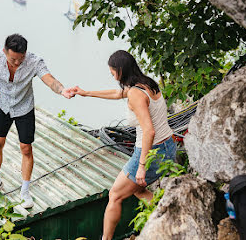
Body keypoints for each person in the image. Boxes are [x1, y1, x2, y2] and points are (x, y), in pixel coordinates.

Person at [71, 50, 176, 240]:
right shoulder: (146, 84)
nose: (112, 76)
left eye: (112, 73)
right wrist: (86, 93)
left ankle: (107, 239)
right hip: (168, 145)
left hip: (152, 151)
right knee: (137, 190)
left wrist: (142, 166)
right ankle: (171, 216)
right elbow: (117, 93)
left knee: (115, 195)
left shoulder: (136, 93)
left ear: (120, 71)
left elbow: (149, 130)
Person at [0, 33, 73, 208]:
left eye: (20, 59)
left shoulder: (34, 61)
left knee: (26, 148)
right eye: (13, 59)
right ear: (4, 52)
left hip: (24, 107)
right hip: (2, 104)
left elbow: (49, 79)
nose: (17, 63)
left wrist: (62, 91)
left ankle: (24, 191)